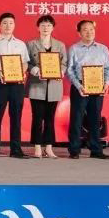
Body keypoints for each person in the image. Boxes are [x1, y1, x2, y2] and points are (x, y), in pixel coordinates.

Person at [65, 19, 109, 160]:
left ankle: (96, 149)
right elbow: (70, 70)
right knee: (76, 118)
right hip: (80, 86)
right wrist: (79, 86)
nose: (89, 32)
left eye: (91, 29)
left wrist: (106, 84)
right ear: (79, 33)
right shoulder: (74, 49)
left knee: (95, 118)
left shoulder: (103, 48)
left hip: (98, 87)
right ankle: (74, 150)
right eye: (85, 29)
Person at [0, 12, 30, 159]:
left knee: (16, 117)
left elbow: (25, 62)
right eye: (4, 23)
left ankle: (16, 149)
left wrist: (22, 72)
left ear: (14, 25)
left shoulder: (21, 44)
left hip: (17, 84)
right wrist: (0, 72)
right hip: (0, 83)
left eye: (11, 23)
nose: (8, 26)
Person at [26, 15, 68, 159]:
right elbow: (26, 62)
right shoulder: (31, 44)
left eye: (49, 25)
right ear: (38, 27)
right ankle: (37, 147)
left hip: (54, 86)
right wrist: (33, 69)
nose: (46, 28)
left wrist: (61, 71)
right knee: (37, 117)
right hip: (37, 85)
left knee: (50, 118)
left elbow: (64, 63)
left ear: (53, 28)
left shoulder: (60, 45)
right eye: (43, 25)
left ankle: (49, 147)